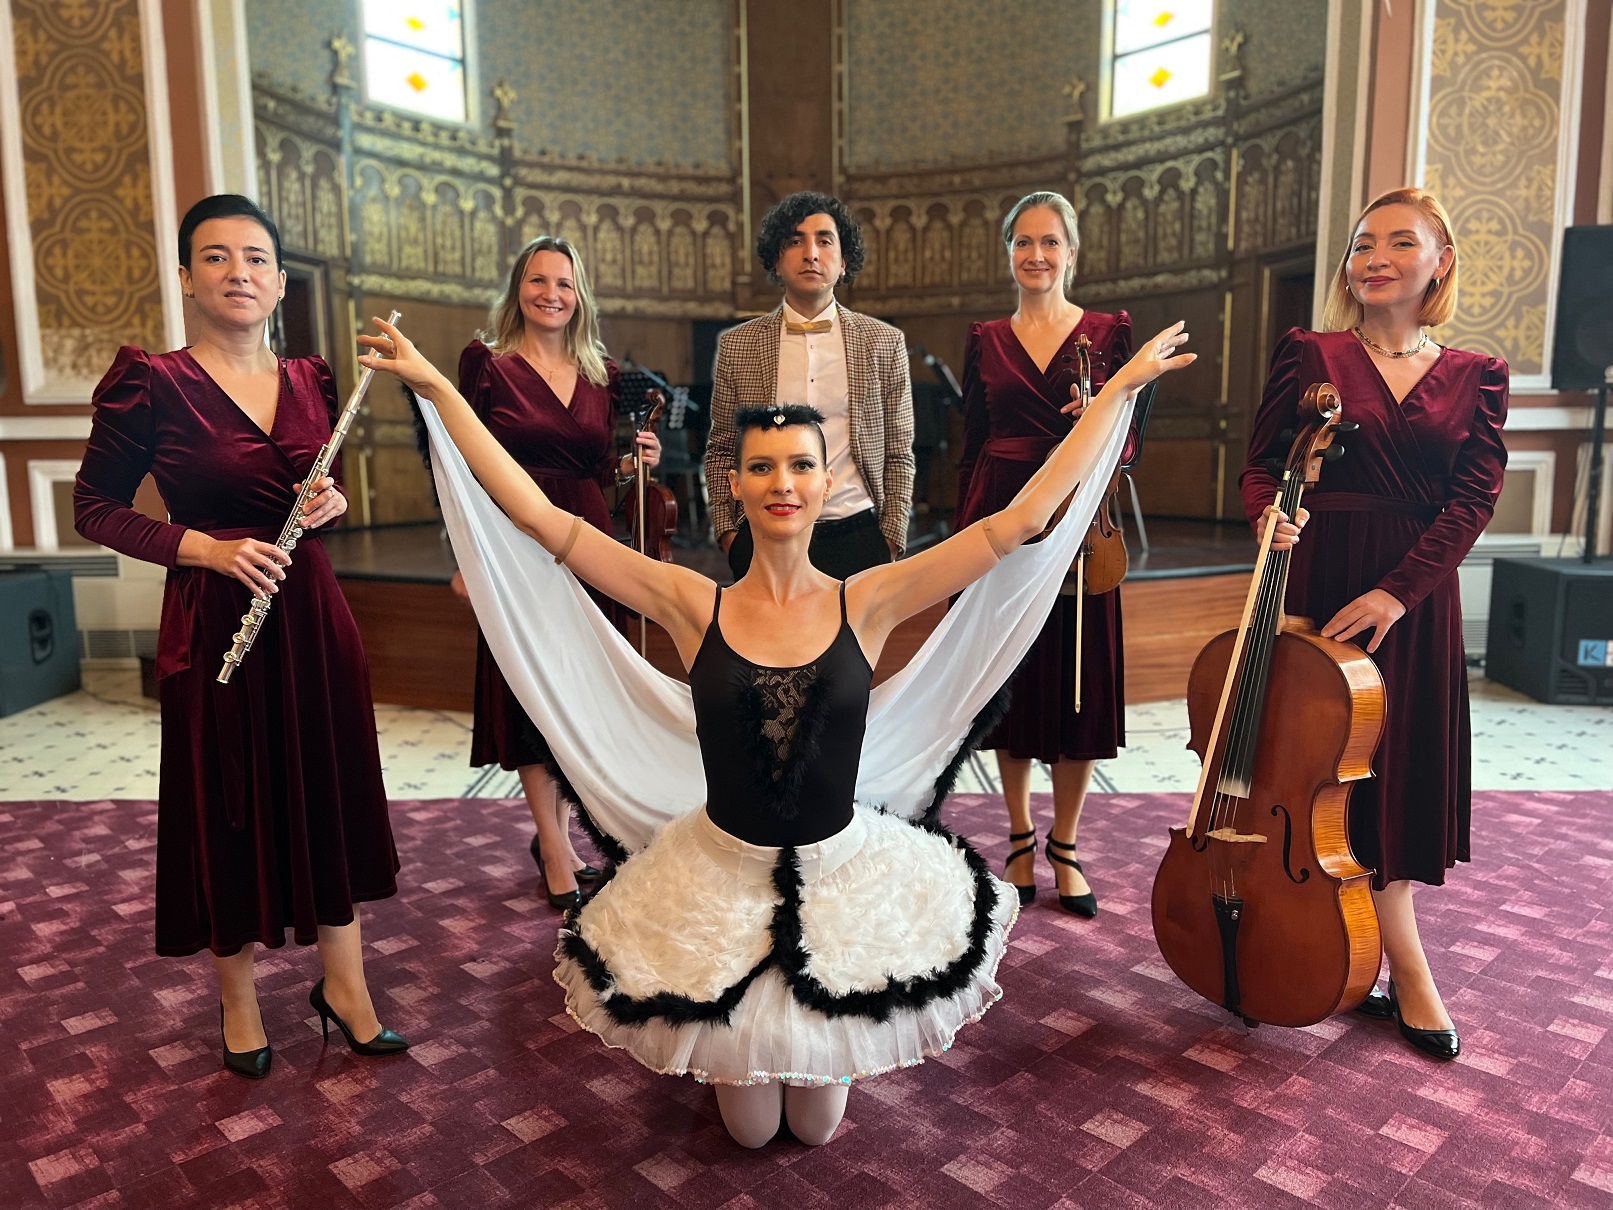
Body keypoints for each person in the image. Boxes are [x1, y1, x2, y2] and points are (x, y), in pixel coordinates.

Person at [358, 311, 1193, 1147]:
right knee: (752, 1131)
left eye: (799, 465)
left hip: (841, 876)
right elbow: (543, 519)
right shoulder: (692, 603)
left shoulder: (868, 600)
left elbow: (1017, 522)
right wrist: (435, 391)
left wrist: (1116, 394)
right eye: (761, 467)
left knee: (818, 1127)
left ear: (826, 483)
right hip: (721, 879)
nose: (781, 482)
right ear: (736, 485)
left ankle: (807, 1046)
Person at [73, 194, 408, 1079]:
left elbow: (321, 488)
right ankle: (239, 1002)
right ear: (187, 278)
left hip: (311, 614)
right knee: (226, 801)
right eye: (216, 257)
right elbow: (93, 507)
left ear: (281, 281)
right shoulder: (151, 382)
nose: (239, 273)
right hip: (214, 617)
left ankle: (347, 988)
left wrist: (331, 502)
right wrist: (205, 550)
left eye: (256, 258)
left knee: (325, 791)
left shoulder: (313, 379)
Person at [1239, 186, 1507, 1060]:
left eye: (1398, 242)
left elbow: (1471, 501)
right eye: (1361, 244)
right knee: (1310, 768)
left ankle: (1401, 963)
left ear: (1440, 261)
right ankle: (1351, 951)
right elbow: (1260, 466)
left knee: (1391, 770)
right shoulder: (1309, 353)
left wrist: (1397, 594)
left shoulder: (1477, 374)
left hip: (1412, 601)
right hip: (1317, 578)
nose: (1374, 258)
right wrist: (1266, 516)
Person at [452, 235, 659, 910]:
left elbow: (596, 470)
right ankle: (551, 846)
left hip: (588, 540)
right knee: (531, 694)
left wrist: (631, 464)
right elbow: (458, 466)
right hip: (518, 542)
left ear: (579, 296)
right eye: (538, 281)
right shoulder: (487, 364)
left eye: (564, 283)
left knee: (579, 693)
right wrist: (467, 556)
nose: (551, 294)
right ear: (518, 289)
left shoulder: (601, 373)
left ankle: (562, 841)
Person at [954, 192, 1132, 917]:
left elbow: (1131, 438)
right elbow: (972, 442)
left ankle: (1067, 843)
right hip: (1001, 514)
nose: (1036, 255)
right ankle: (1020, 837)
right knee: (1012, 686)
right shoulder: (985, 337)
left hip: (1081, 525)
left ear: (1072, 253)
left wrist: (1100, 424)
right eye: (1023, 242)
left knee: (1079, 689)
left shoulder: (1108, 333)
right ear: (1008, 253)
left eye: (1050, 242)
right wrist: (965, 539)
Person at [705, 191, 914, 578]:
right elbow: (720, 450)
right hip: (764, 533)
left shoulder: (884, 343)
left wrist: (890, 536)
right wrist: (728, 534)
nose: (811, 254)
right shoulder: (738, 345)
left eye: (824, 240)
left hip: (858, 533)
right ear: (776, 260)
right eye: (795, 241)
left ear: (844, 261)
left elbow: (899, 453)